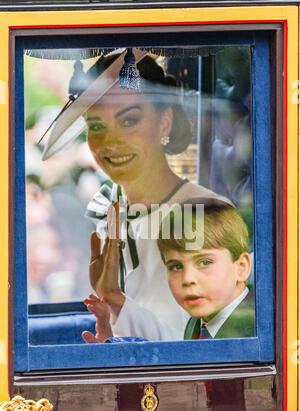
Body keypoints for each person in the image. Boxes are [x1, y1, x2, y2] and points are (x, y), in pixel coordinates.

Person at [42, 49, 233, 341]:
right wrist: (108, 333)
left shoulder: (203, 214)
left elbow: (203, 348)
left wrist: (116, 302)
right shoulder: (111, 213)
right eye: (96, 126)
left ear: (164, 123)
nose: (111, 142)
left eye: (129, 121)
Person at [157, 197, 254, 339]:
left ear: (241, 267)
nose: (188, 279)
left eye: (204, 262)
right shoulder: (197, 322)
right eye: (176, 266)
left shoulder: (254, 329)